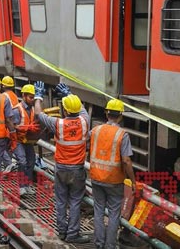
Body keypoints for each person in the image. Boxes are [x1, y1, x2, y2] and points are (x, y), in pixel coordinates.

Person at [34, 82, 90, 244]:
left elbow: (38, 113)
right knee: (75, 201)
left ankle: (62, 231)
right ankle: (73, 234)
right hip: (77, 170)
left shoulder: (58, 124)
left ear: (64, 110)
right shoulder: (85, 121)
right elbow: (82, 109)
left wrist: (38, 95)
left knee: (60, 200)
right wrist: (69, 93)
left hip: (61, 168)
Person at [90, 99, 136, 249]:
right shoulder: (122, 134)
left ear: (106, 112)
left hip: (96, 177)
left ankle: (98, 243)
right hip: (114, 180)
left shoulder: (96, 130)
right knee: (114, 214)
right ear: (121, 116)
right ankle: (110, 246)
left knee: (98, 210)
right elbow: (127, 161)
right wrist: (133, 181)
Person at [12, 84, 40, 196]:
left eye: (33, 97)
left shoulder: (32, 109)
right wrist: (25, 128)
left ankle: (27, 185)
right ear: (23, 96)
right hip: (18, 140)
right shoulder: (17, 110)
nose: (32, 100)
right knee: (22, 161)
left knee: (31, 161)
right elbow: (12, 126)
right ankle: (21, 187)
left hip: (27, 140)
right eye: (30, 97)